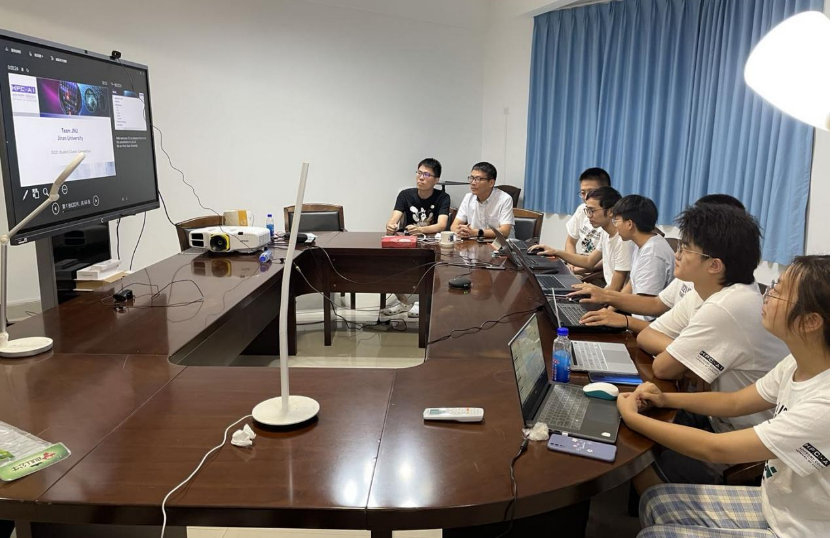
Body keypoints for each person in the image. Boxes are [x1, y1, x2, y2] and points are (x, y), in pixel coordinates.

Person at [619, 255, 830, 538]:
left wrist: (633, 419)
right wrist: (666, 400)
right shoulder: (798, 362)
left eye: (778, 292)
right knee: (654, 501)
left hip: (800, 530)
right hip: (778, 507)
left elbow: (715, 449)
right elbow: (735, 401)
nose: (767, 295)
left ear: (810, 322)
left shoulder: (824, 404)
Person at [634, 204, 789, 489]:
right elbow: (646, 336)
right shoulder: (707, 291)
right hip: (718, 415)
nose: (677, 253)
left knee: (636, 457)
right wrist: (686, 354)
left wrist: (682, 356)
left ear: (714, 265)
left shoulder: (728, 306)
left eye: (685, 248)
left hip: (742, 443)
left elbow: (663, 367)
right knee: (642, 411)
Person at [569, 194, 747, 333]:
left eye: (686, 248)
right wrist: (608, 302)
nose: (677, 255)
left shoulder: (727, 302)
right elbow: (654, 305)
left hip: (645, 324)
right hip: (646, 324)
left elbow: (658, 326)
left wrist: (617, 312)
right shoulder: (687, 278)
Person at [382, 158, 451, 318]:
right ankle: (403, 302)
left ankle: (424, 302)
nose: (421, 177)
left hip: (432, 243)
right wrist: (390, 225)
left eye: (426, 174)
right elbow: (394, 218)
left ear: (436, 179)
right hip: (408, 242)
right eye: (419, 173)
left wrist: (420, 229)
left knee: (433, 264)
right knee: (388, 264)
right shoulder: (405, 195)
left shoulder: (443, 197)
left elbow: (441, 225)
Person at [529, 187, 632, 291]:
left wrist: (592, 290)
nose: (588, 216)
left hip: (614, 297)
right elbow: (589, 261)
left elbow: (615, 288)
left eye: (592, 210)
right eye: (587, 210)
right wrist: (555, 252)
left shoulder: (623, 240)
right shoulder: (606, 233)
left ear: (611, 211)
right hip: (606, 293)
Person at [451, 162, 514, 240]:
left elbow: (504, 231)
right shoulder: (468, 197)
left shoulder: (505, 199)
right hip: (475, 243)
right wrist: (462, 232)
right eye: (471, 178)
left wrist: (477, 232)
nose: (473, 183)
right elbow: (454, 226)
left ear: (491, 183)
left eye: (478, 179)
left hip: (500, 244)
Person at [566, 168, 612, 257]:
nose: (586, 197)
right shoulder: (582, 209)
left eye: (591, 192)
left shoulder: (615, 216)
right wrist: (571, 263)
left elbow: (608, 260)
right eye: (583, 193)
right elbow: (570, 242)